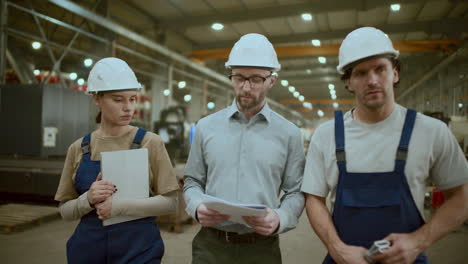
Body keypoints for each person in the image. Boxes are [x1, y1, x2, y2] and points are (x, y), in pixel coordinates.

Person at [301, 26, 468, 264]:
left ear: (395, 73)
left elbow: (461, 196)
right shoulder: (326, 135)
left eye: (380, 69)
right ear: (348, 82)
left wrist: (418, 242)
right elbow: (314, 199)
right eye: (360, 73)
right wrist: (336, 248)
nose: (372, 81)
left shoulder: (431, 132)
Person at [183, 33, 305, 264]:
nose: (246, 87)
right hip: (211, 247)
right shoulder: (206, 127)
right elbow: (192, 181)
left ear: (272, 80)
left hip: (261, 248)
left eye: (256, 79)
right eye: (239, 77)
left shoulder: (289, 133)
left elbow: (296, 191)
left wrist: (281, 217)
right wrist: (197, 206)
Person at [54, 57, 179, 264]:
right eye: (118, 100)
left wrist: (119, 207)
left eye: (132, 99)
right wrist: (88, 199)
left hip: (139, 251)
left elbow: (171, 202)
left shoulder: (150, 142)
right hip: (87, 251)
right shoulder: (79, 148)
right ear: (97, 99)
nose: (128, 107)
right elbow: (65, 211)